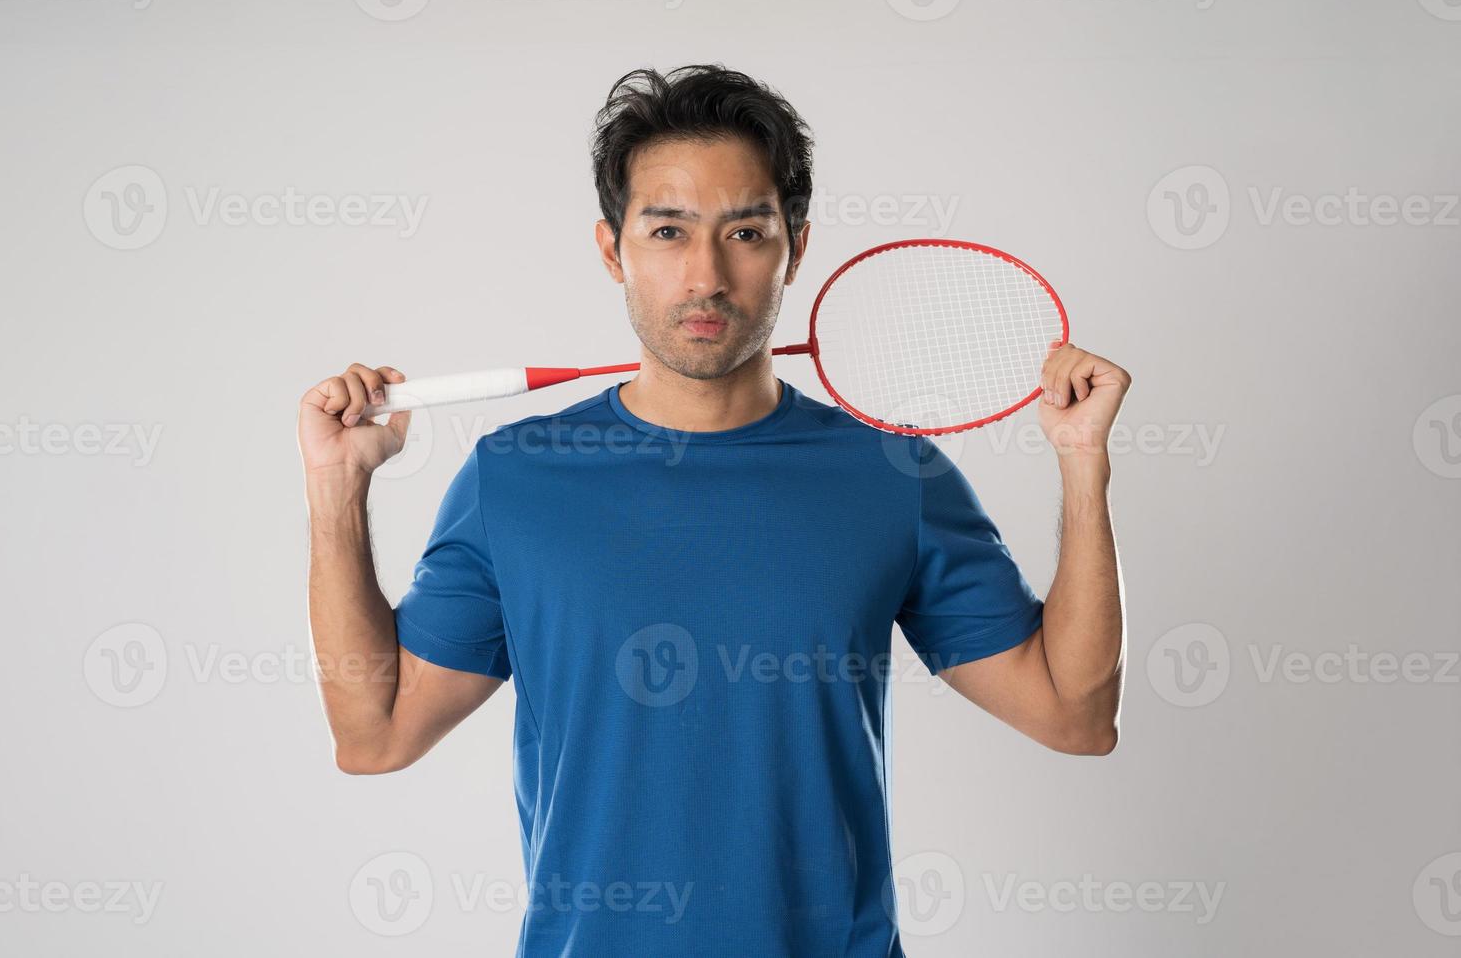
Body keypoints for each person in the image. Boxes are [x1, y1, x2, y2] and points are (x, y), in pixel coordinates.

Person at [297, 64, 1130, 957]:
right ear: (613, 250)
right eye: (667, 230)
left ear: (794, 249)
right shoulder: (516, 480)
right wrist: (337, 487)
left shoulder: (894, 475)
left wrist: (1083, 467)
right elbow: (373, 735)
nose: (707, 275)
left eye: (745, 230)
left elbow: (1073, 717)